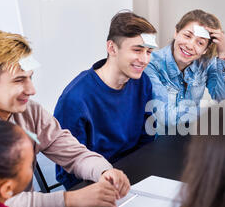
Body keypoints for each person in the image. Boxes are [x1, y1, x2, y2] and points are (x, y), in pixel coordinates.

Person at [0, 29, 130, 207]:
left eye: (30, 77)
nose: (32, 90)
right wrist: (68, 200)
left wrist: (105, 171)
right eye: (19, 80)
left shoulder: (31, 112)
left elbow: (75, 154)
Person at [54, 11, 156, 190]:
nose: (144, 59)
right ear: (112, 48)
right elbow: (68, 172)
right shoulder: (75, 99)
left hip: (133, 175)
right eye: (137, 50)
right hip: (95, 185)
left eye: (149, 51)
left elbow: (146, 140)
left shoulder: (142, 83)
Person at [145, 9, 225, 130]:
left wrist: (223, 53)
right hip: (157, 140)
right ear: (176, 32)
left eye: (200, 43)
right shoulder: (151, 64)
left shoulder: (206, 64)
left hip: (190, 137)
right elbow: (166, 116)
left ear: (205, 49)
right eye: (187, 36)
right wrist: (212, 111)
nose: (190, 45)